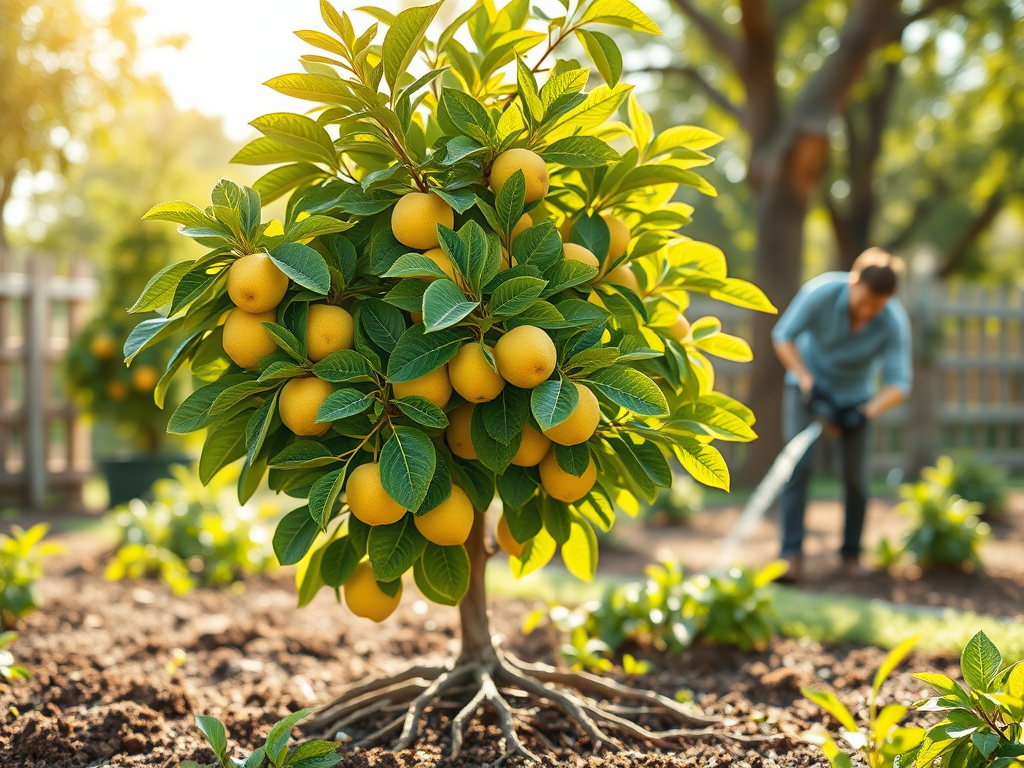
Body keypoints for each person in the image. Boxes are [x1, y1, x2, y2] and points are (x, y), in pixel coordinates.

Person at [771, 248, 912, 582]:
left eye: (876, 308)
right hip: (806, 388)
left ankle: (852, 556)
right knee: (799, 468)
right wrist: (808, 383)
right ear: (853, 282)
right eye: (863, 302)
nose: (866, 313)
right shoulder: (820, 293)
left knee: (855, 479)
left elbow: (899, 384)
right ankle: (790, 556)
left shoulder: (893, 321)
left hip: (856, 400)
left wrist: (863, 413)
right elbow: (783, 337)